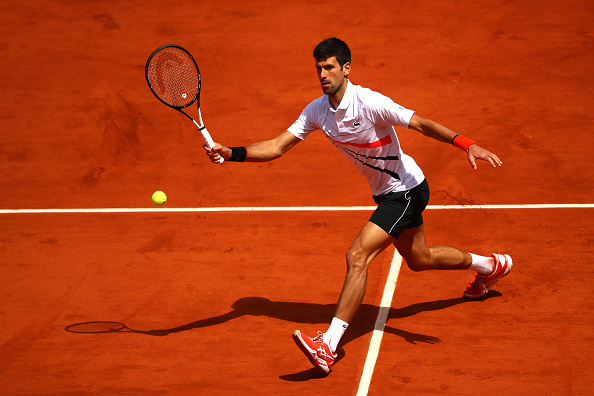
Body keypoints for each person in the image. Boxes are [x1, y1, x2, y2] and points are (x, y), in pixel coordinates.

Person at [204, 38, 512, 374]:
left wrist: (466, 143)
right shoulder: (317, 111)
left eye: (329, 67)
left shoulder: (369, 103)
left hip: (406, 189)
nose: (323, 74)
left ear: (346, 69)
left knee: (357, 255)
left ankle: (328, 345)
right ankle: (490, 266)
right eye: (319, 67)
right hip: (387, 193)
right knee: (420, 259)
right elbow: (277, 147)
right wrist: (232, 153)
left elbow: (420, 123)